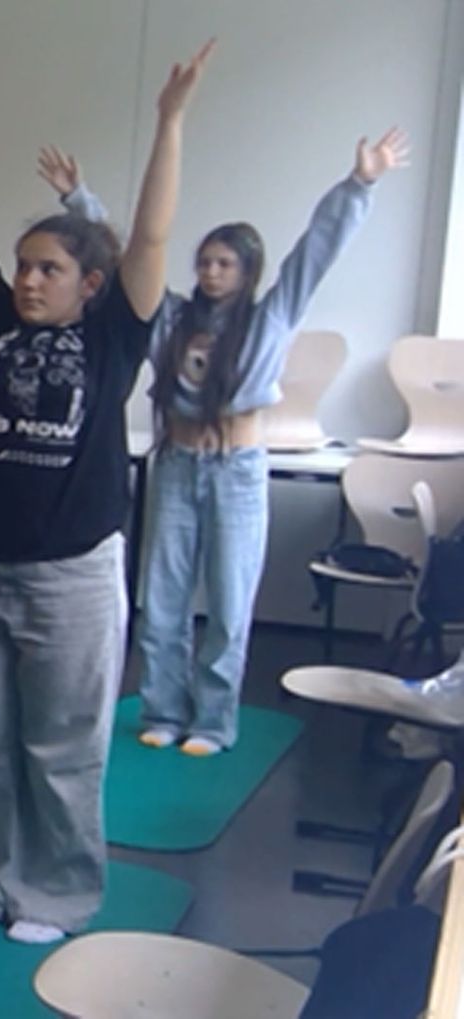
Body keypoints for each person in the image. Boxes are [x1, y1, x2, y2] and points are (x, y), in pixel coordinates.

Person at [0, 38, 209, 943]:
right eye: (25, 266)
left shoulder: (115, 335)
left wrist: (169, 122)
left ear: (90, 284)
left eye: (48, 268)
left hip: (70, 576)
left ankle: (54, 895)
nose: (28, 278)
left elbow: (154, 236)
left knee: (61, 753)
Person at [38, 130, 410, 755]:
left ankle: (212, 721)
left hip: (237, 470)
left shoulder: (272, 317)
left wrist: (359, 184)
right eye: (205, 262)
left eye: (225, 264)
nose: (211, 273)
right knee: (162, 597)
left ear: (247, 271)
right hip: (178, 465)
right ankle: (162, 708)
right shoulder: (173, 317)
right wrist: (81, 201)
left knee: (231, 603)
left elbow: (317, 250)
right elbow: (134, 259)